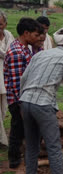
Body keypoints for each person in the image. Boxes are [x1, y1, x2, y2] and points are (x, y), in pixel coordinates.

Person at [20, 27, 63, 174]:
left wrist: (21, 101)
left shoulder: (39, 54)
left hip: (26, 101)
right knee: (53, 145)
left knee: (31, 144)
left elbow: (24, 78)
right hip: (44, 104)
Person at [4, 18, 42, 168]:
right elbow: (17, 83)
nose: (38, 38)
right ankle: (14, 162)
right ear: (26, 33)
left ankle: (24, 159)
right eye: (35, 35)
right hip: (18, 100)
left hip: (26, 99)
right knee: (17, 130)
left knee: (23, 129)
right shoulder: (16, 52)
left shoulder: (26, 49)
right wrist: (21, 107)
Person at [0, 10, 14, 146]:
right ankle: (2, 139)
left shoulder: (9, 35)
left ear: (5, 24)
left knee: (4, 108)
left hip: (5, 76)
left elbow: (10, 54)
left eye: (1, 24)